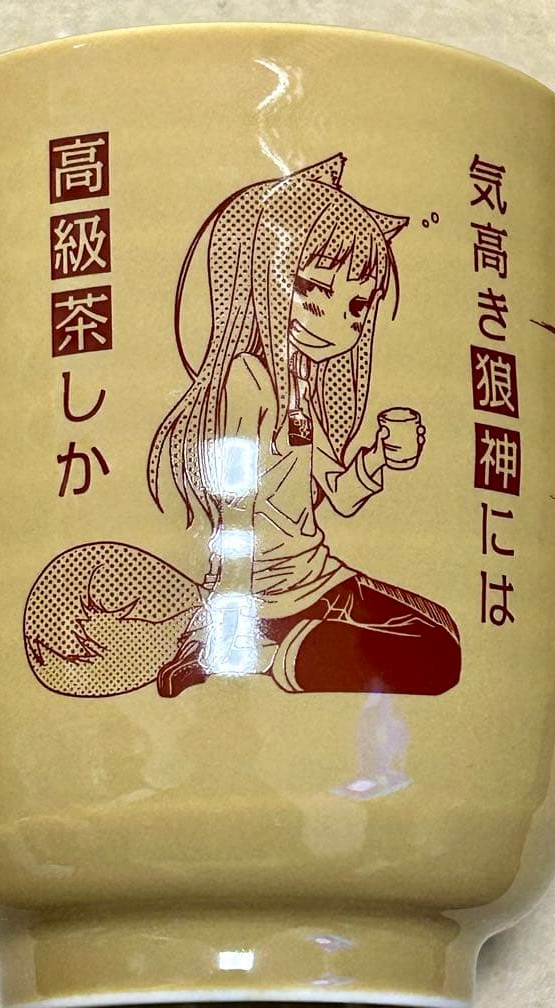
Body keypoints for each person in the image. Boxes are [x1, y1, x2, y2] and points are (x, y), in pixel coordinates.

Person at [147, 152, 461, 698]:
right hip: (265, 600)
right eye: (312, 291)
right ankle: (266, 656)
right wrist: (227, 627)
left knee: (441, 633)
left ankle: (286, 650)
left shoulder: (300, 386)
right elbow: (235, 508)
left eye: (356, 307)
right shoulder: (246, 380)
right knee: (431, 655)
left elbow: (339, 495)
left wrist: (380, 456)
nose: (338, 322)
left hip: (319, 582)